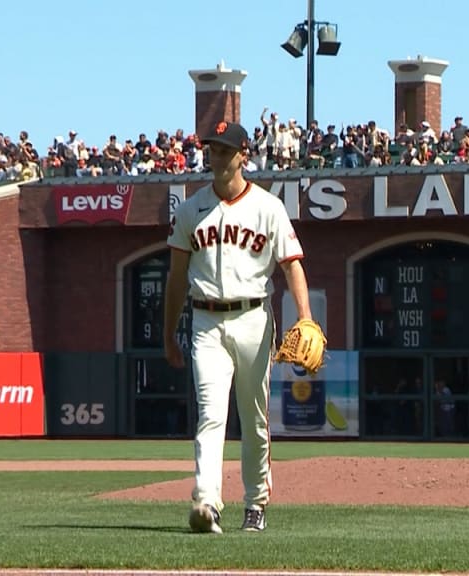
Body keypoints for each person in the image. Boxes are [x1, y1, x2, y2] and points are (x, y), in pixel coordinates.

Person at [164, 120, 312, 534]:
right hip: (205, 320)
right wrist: (167, 332)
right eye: (212, 148)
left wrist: (305, 317)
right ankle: (206, 502)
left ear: (243, 154)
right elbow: (176, 277)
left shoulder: (268, 207)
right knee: (211, 414)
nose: (216, 155)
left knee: (255, 418)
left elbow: (291, 265)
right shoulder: (191, 209)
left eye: (225, 149)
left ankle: (256, 502)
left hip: (253, 318)